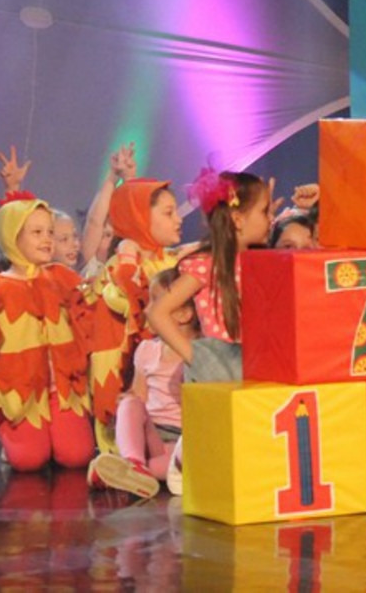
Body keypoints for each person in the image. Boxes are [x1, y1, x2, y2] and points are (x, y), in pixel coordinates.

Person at [0, 188, 95, 472]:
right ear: (13, 237)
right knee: (29, 461)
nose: (47, 239)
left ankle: (56, 431)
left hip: (62, 390)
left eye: (49, 232)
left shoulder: (62, 277)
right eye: (37, 232)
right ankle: (14, 433)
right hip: (21, 397)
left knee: (77, 456)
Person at [146, 168, 276, 494]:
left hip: (251, 362)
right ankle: (182, 458)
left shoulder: (262, 261)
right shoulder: (206, 264)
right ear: (238, 219)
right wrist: (195, 355)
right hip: (218, 363)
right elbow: (157, 312)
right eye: (264, 211)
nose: (270, 218)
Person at [83, 177, 183, 453]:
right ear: (140, 219)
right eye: (168, 213)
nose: (178, 220)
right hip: (127, 379)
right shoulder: (119, 267)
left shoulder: (173, 262)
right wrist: (128, 260)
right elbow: (135, 307)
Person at [87, 269, 197, 499]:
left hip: (181, 439)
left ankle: (125, 474)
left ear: (184, 314)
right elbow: (139, 395)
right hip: (151, 433)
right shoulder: (147, 349)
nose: (147, 310)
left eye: (155, 301)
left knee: (179, 463)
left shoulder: (199, 353)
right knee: (130, 404)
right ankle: (133, 463)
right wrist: (125, 402)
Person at [80, 144, 138, 280]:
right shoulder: (92, 266)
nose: (112, 241)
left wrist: (129, 178)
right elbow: (95, 222)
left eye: (115, 235)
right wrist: (113, 176)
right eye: (106, 235)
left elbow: (136, 218)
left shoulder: (133, 267)